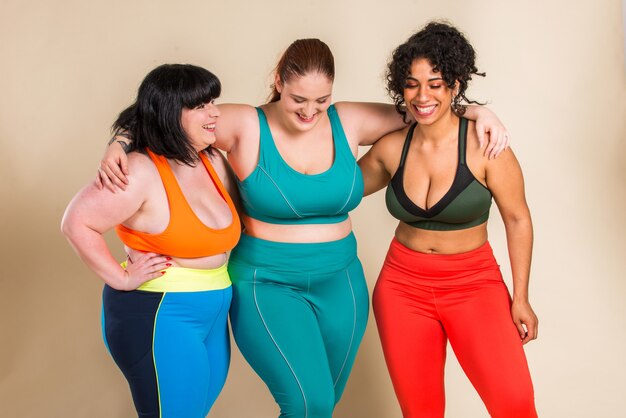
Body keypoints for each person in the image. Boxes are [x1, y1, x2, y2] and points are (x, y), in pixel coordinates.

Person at [98, 39, 510, 418]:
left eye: (321, 100)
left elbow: (424, 108)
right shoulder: (243, 124)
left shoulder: (349, 119)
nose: (310, 112)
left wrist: (476, 111)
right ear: (279, 83)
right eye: (298, 99)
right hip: (268, 282)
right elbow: (169, 118)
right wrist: (119, 142)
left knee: (322, 405)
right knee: (306, 400)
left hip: (342, 284)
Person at [359, 22, 538, 418]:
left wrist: (520, 297)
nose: (422, 96)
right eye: (412, 84)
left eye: (435, 84)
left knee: (515, 402)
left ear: (455, 85)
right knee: (420, 411)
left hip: (474, 284)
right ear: (400, 88)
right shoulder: (391, 148)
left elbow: (517, 219)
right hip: (401, 288)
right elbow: (340, 191)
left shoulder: (486, 145)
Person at [61, 64, 241, 418]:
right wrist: (121, 277)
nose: (215, 112)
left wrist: (119, 136)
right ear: (172, 114)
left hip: (214, 314)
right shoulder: (139, 171)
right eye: (201, 105)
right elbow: (76, 222)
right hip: (161, 315)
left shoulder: (211, 159)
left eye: (213, 101)